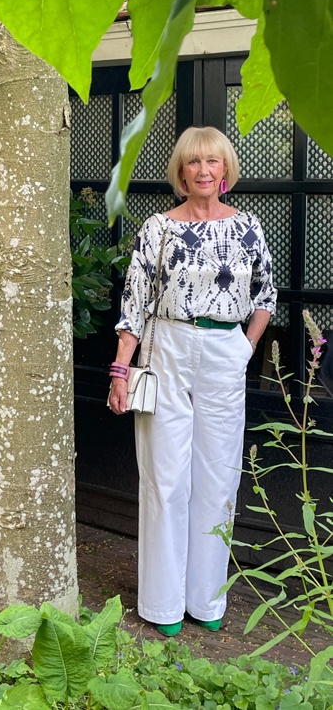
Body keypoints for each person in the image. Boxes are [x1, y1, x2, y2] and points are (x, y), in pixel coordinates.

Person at [108, 126, 277, 636]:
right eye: (194, 161)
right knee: (166, 478)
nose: (204, 169)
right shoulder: (157, 229)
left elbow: (266, 296)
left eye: (213, 161)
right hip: (168, 347)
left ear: (225, 171)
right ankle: (162, 604)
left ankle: (206, 598)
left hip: (226, 350)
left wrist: (245, 348)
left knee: (219, 478)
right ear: (181, 172)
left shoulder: (248, 227)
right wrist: (121, 372)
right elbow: (133, 306)